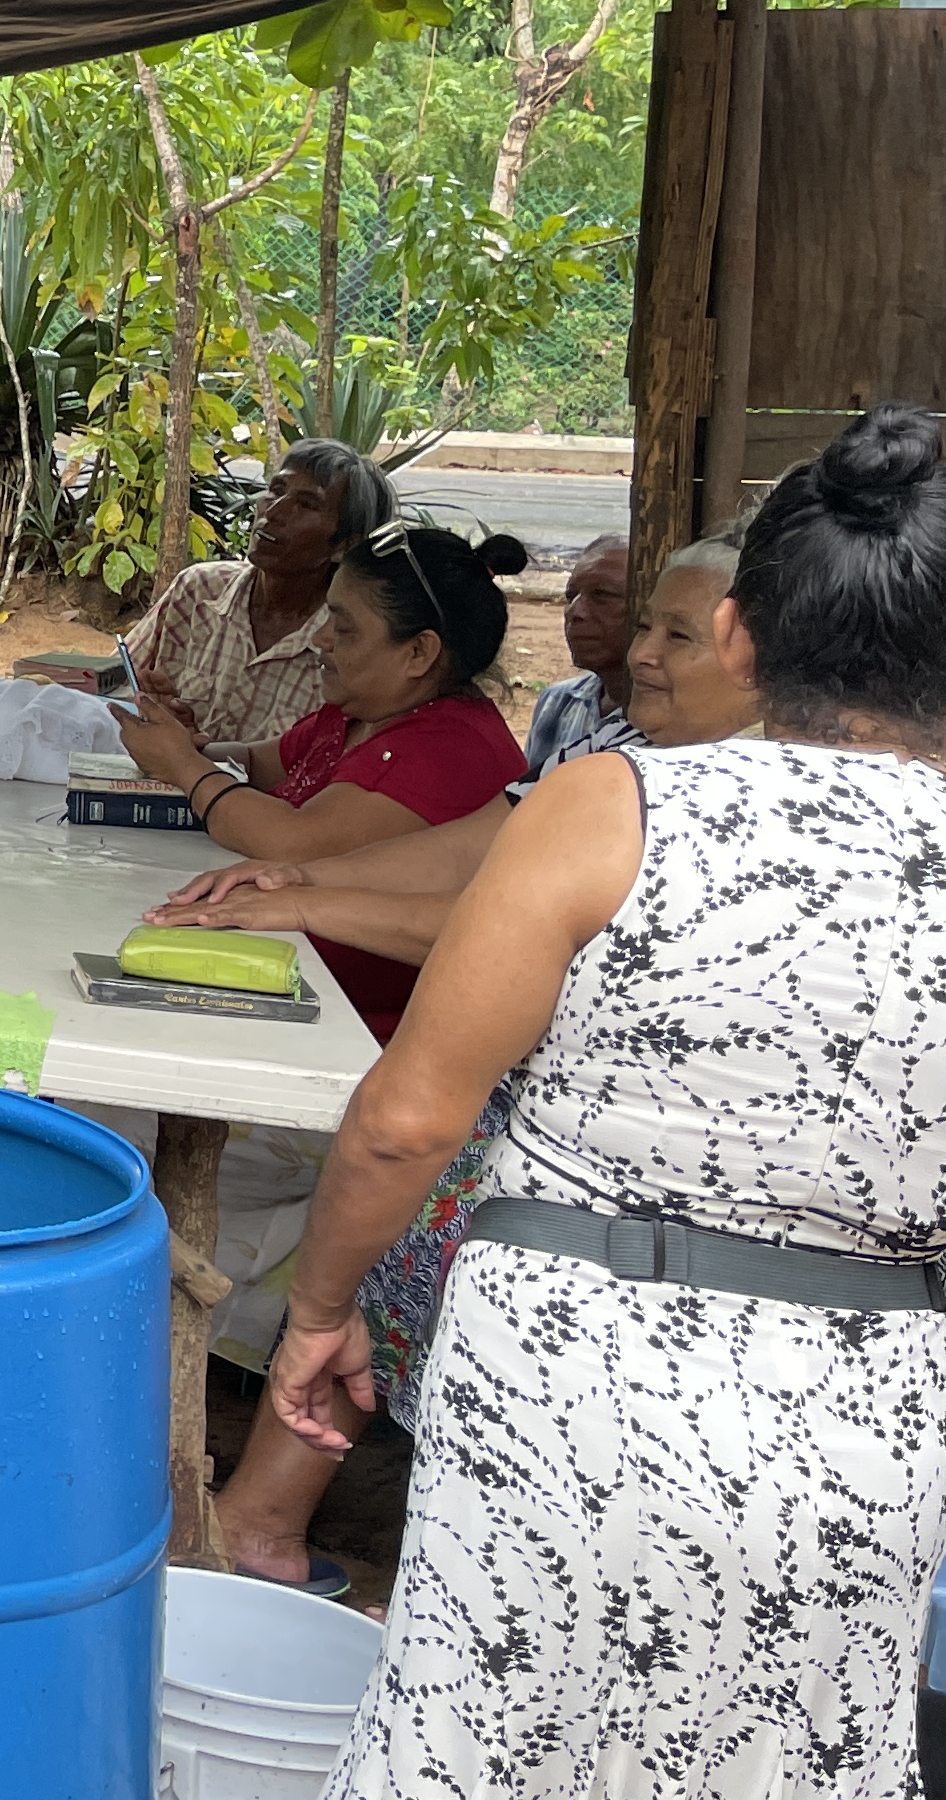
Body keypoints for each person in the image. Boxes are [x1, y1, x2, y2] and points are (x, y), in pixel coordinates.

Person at [265, 410, 946, 1800]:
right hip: (855, 1420)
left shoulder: (612, 804)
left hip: (571, 1388)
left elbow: (410, 1112)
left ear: (735, 626)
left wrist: (316, 1310)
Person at [147, 534, 759, 1594]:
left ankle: (278, 1526)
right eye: (645, 624)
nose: (643, 653)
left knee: (415, 1177)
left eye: (674, 634)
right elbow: (484, 851)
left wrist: (302, 887)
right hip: (563, 1121)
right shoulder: (619, 751)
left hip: (647, 1164)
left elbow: (512, 928)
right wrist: (295, 879)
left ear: (760, 653)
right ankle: (266, 1522)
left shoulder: (716, 798)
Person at [112, 516, 531, 1037]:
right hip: (290, 977)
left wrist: (183, 765)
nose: (320, 639)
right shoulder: (362, 710)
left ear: (419, 653)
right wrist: (189, 742)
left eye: (344, 627)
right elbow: (259, 763)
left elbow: (293, 842)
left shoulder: (452, 749)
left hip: (354, 1031)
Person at [121, 439, 390, 750]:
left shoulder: (347, 648)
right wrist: (154, 715)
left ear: (344, 545)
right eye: (276, 490)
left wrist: (198, 753)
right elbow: (111, 686)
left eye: (306, 504)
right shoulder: (198, 590)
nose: (273, 511)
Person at [518, 531, 638, 775]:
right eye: (571, 596)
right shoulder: (558, 702)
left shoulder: (669, 721)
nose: (575, 612)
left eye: (602, 595)